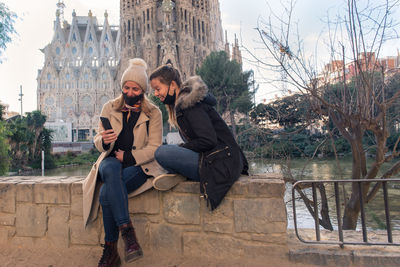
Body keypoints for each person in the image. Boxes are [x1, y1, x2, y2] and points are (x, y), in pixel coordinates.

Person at [82, 58, 165, 267]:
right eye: (126, 87)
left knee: (105, 193)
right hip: (111, 163)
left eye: (135, 88)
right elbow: (97, 140)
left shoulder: (153, 113)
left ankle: (111, 250)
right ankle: (128, 235)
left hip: (138, 167)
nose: (129, 92)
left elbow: (155, 148)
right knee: (109, 166)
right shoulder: (109, 107)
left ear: (143, 90)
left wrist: (128, 157)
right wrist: (104, 140)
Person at [149, 64, 248, 210]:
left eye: (158, 89)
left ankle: (178, 173)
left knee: (162, 152)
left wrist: (181, 148)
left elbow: (208, 140)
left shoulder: (190, 105)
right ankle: (178, 173)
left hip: (221, 164)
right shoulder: (183, 105)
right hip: (219, 160)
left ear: (173, 85)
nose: (156, 94)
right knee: (165, 153)